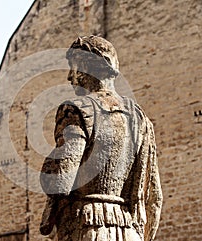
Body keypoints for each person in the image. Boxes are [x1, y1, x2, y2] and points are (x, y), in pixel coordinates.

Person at [40, 36, 162, 241]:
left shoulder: (76, 110)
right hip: (129, 230)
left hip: (86, 227)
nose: (70, 77)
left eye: (74, 67)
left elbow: (61, 181)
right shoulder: (140, 119)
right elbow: (154, 198)